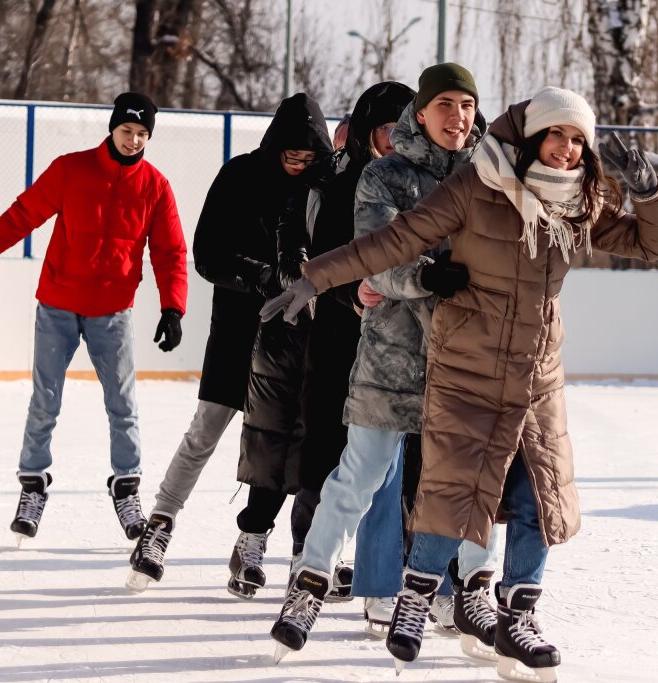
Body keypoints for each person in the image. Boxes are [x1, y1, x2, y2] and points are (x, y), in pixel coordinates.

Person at [262, 87, 658, 681]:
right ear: (531, 136)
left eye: (577, 139)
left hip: (531, 368)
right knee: (419, 480)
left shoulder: (578, 198)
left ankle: (506, 607)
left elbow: (650, 242)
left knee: (532, 490)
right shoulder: (472, 183)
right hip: (443, 357)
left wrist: (648, 192)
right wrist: (316, 279)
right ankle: (366, 588)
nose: (566, 148)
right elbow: (392, 242)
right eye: (556, 134)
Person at [267, 63, 500, 661]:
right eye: (445, 104)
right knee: (359, 476)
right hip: (394, 354)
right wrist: (426, 274)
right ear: (420, 114)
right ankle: (309, 583)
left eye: (467, 105)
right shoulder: (385, 175)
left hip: (466, 359)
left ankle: (468, 592)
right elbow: (378, 257)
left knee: (465, 485)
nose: (458, 116)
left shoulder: (491, 176)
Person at [0, 92, 188, 546]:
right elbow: (23, 214)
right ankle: (33, 486)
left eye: (142, 134)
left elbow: (170, 252)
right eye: (126, 131)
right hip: (58, 303)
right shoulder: (71, 169)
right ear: (112, 129)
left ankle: (127, 486)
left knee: (123, 404)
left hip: (112, 310)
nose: (133, 140)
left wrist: (173, 307)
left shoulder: (155, 187)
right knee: (46, 400)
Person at [126, 93, 333, 597]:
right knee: (206, 432)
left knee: (283, 448)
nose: (298, 161)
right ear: (275, 143)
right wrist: (256, 274)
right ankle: (159, 524)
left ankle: (253, 543)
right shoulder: (239, 176)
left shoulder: (323, 191)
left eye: (308, 156)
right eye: (291, 152)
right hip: (239, 331)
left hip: (292, 342)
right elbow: (207, 254)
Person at [287, 82, 417, 605]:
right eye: (388, 128)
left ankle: (383, 572)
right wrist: (358, 295)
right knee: (325, 444)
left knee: (390, 463)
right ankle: (309, 552)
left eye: (405, 125)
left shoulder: (419, 182)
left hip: (400, 341)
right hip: (341, 333)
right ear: (367, 133)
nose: (398, 137)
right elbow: (327, 258)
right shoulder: (342, 186)